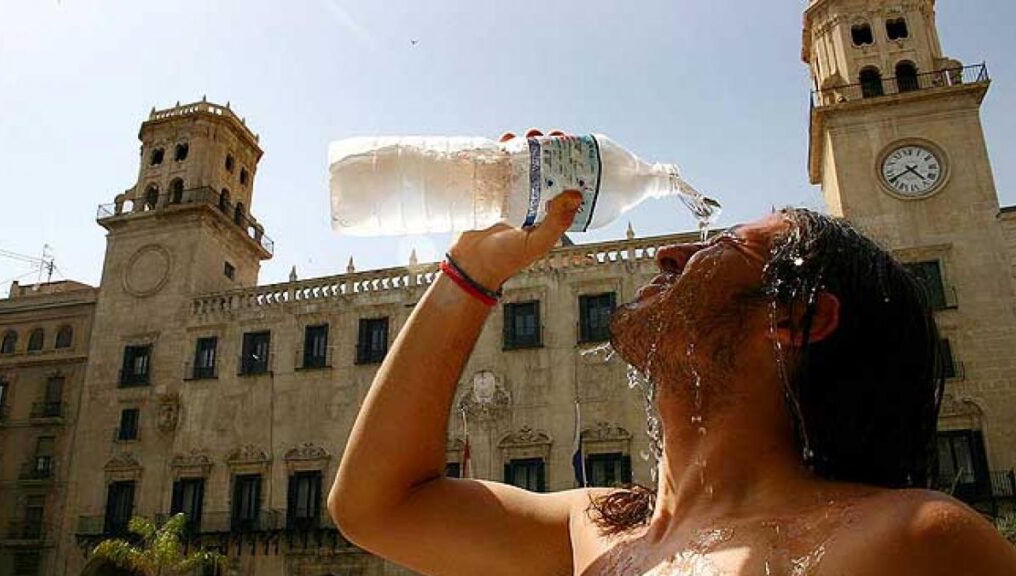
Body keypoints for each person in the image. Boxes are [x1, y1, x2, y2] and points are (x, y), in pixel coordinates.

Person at [329, 130, 1016, 575]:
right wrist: (470, 271)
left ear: (796, 316)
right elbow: (378, 506)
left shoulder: (910, 543)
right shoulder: (601, 530)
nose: (669, 252)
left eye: (724, 245)